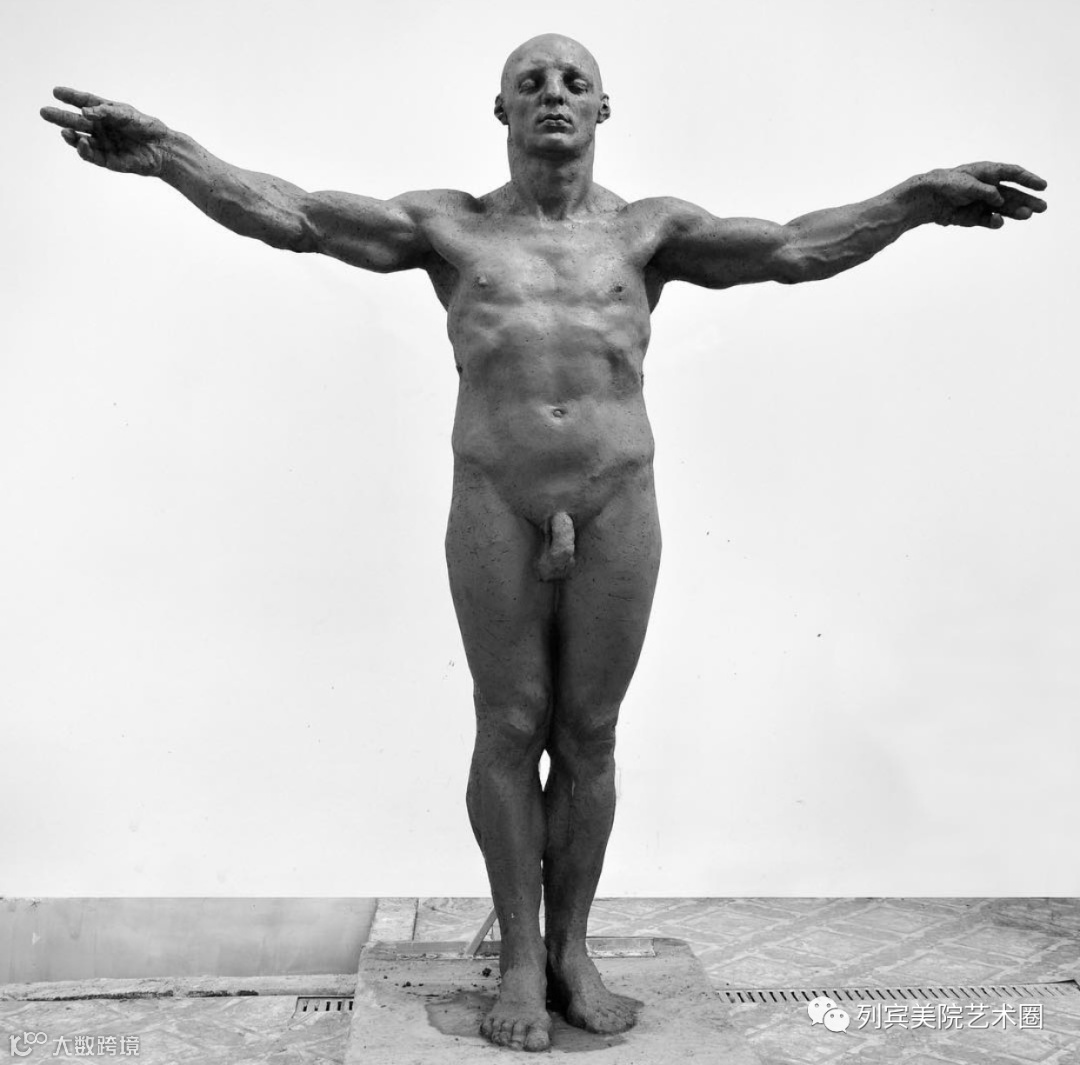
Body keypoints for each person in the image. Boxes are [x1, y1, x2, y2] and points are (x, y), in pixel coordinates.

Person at [40, 32, 1047, 1053]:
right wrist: (171, 156)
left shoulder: (651, 231)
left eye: (575, 83)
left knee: (592, 732)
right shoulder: (450, 227)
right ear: (503, 110)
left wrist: (914, 201)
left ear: (603, 109)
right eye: (532, 82)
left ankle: (573, 948)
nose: (554, 94)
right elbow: (298, 215)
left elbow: (790, 247)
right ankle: (521, 956)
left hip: (617, 500)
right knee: (510, 722)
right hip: (497, 496)